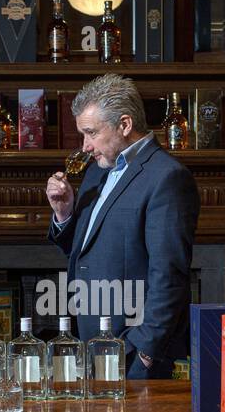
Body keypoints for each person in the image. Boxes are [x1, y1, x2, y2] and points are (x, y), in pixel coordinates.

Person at [45, 73, 200, 380]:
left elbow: (169, 275)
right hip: (96, 343)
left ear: (125, 125)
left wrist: (145, 352)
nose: (85, 146)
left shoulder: (167, 178)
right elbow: (86, 252)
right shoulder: (97, 171)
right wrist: (64, 213)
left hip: (133, 352)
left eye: (91, 133)